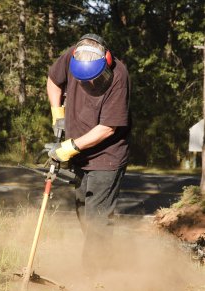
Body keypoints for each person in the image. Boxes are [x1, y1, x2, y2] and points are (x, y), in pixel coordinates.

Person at [47, 33, 131, 276]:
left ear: (106, 61)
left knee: (98, 220)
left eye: (95, 79)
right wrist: (57, 113)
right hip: (80, 155)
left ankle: (96, 278)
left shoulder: (118, 76)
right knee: (84, 211)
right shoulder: (71, 57)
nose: (91, 85)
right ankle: (107, 263)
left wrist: (70, 148)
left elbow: (108, 128)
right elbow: (54, 80)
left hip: (108, 155)